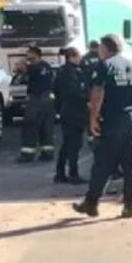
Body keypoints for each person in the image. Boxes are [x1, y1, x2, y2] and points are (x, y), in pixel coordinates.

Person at [73, 34, 132, 219]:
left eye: (100, 47)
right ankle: (129, 207)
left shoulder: (105, 65)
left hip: (112, 120)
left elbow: (97, 91)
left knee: (102, 164)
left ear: (105, 48)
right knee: (130, 165)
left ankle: (91, 203)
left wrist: (93, 118)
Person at [53, 47, 89, 184]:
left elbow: (56, 91)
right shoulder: (72, 73)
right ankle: (73, 174)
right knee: (74, 145)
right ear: (71, 57)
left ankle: (60, 173)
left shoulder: (61, 71)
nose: (80, 59)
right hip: (74, 112)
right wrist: (86, 99)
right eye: (78, 56)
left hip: (65, 111)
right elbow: (77, 92)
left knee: (67, 144)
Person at [17, 46, 56, 163]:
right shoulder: (46, 66)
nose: (27, 56)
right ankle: (47, 152)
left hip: (36, 99)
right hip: (48, 99)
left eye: (28, 54)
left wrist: (23, 64)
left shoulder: (33, 67)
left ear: (35, 54)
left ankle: (27, 154)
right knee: (46, 127)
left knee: (30, 125)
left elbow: (20, 69)